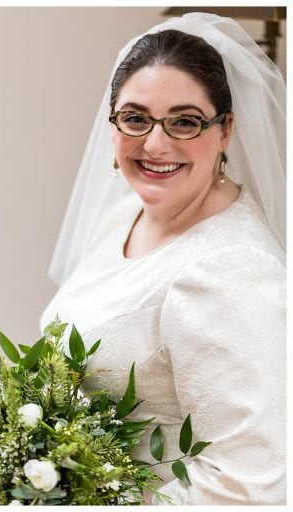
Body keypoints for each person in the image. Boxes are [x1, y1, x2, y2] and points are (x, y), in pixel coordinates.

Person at [41, 13, 285, 505]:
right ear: (111, 123)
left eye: (185, 121)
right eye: (135, 118)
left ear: (225, 130)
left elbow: (247, 485)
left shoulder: (229, 269)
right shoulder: (127, 211)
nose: (155, 144)